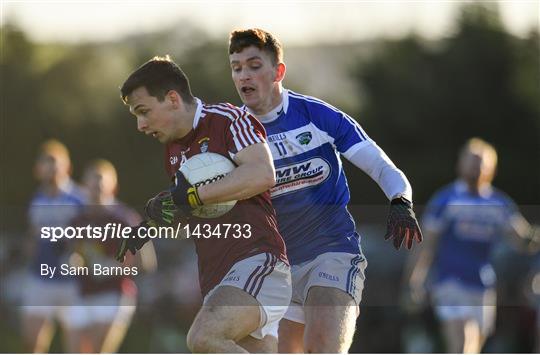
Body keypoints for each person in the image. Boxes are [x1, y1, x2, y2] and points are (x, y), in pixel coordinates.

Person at [228, 28, 423, 353]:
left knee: (322, 345)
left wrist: (401, 200)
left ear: (278, 71)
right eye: (236, 68)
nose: (244, 75)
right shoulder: (232, 133)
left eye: (253, 65)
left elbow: (382, 166)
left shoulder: (317, 117)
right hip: (275, 267)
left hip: (331, 252)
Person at [116, 56, 292, 353]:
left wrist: (195, 194)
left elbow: (262, 173)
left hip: (258, 263)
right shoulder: (173, 151)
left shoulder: (227, 120)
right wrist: (156, 221)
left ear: (172, 99)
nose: (140, 125)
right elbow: (198, 209)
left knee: (203, 338)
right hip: (217, 277)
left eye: (143, 112)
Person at [407, 138, 539, 353]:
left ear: (491, 168)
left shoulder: (499, 204)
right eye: (471, 160)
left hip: (482, 286)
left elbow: (521, 240)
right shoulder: (446, 200)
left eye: (481, 162)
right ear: (460, 164)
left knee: (473, 348)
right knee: (462, 343)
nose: (475, 166)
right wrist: (413, 281)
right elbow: (426, 245)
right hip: (449, 283)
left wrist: (531, 240)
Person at [70, 159, 155, 352]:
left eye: (101, 182)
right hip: (83, 294)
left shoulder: (124, 218)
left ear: (112, 186)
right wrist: (75, 262)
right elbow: (75, 254)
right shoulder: (77, 220)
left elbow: (147, 262)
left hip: (114, 294)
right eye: (92, 182)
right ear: (84, 186)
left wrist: (113, 268)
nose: (96, 187)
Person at [20, 139, 86, 353]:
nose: (50, 168)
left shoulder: (80, 198)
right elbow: (32, 235)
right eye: (46, 163)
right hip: (40, 278)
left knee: (76, 347)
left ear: (67, 166)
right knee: (32, 341)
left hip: (73, 283)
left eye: (54, 162)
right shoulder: (37, 199)